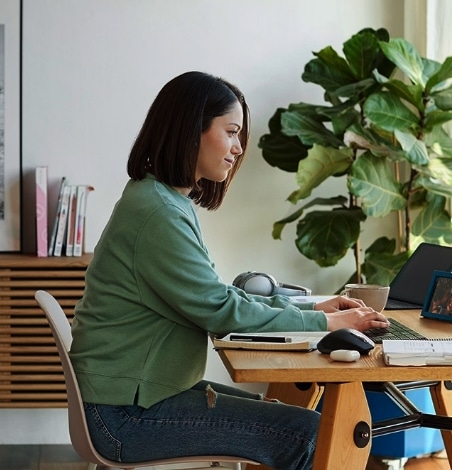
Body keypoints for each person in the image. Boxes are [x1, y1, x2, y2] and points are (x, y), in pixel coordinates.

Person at [68, 71, 389, 470]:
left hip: (132, 398)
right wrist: (325, 322)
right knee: (312, 434)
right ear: (192, 130)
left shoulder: (160, 199)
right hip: (125, 415)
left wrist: (320, 309)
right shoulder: (158, 212)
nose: (238, 148)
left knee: (291, 420)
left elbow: (214, 296)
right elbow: (220, 312)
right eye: (231, 132)